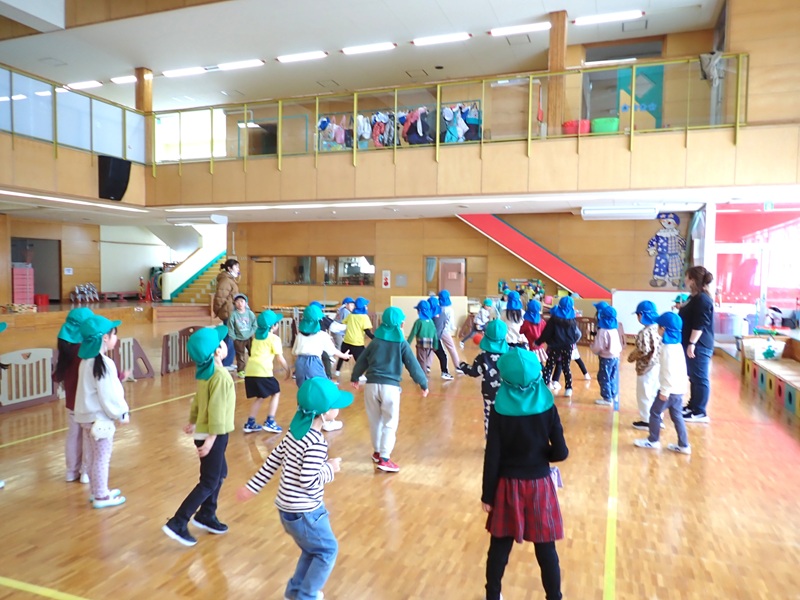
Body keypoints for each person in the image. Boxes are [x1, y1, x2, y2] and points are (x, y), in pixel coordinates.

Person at [236, 378, 353, 600]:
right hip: (306, 512)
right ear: (324, 413)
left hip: (287, 510)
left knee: (312, 550)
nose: (338, 409)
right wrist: (330, 468)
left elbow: (272, 462)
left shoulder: (294, 433)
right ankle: (306, 595)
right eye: (335, 405)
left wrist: (252, 487)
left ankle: (295, 592)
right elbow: (308, 480)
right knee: (327, 551)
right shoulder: (316, 442)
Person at [482, 347, 568, 600]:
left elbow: (492, 455)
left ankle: (493, 595)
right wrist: (541, 455)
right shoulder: (548, 407)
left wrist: (487, 495)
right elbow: (561, 452)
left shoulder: (499, 409)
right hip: (539, 484)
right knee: (546, 549)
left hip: (507, 485)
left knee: (499, 546)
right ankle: (554, 596)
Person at [162, 325, 235, 547]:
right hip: (214, 435)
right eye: (221, 343)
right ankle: (178, 521)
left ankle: (207, 514)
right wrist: (211, 440)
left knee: (220, 473)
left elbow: (198, 400)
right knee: (209, 481)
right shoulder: (220, 376)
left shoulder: (206, 373)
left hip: (206, 432)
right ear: (217, 351)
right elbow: (217, 411)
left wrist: (193, 421)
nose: (225, 344)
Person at [350, 307, 428, 473]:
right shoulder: (401, 343)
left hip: (371, 386)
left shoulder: (375, 342)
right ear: (400, 324)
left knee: (375, 421)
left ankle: (377, 452)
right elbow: (413, 365)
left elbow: (362, 360)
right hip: (390, 388)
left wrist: (355, 377)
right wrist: (423, 383)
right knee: (390, 423)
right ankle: (385, 458)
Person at [74, 315, 130, 509]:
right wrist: (121, 413)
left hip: (86, 418)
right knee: (102, 458)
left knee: (92, 456)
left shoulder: (86, 362)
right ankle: (101, 495)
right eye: (114, 334)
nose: (116, 338)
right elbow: (110, 394)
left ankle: (96, 490)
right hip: (100, 421)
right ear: (105, 338)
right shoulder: (104, 363)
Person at [634, 312, 691, 454]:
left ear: (663, 329)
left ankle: (653, 440)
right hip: (679, 389)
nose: (657, 329)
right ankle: (684, 445)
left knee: (654, 412)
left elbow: (668, 372)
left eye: (659, 326)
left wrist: (664, 391)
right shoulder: (677, 346)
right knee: (677, 416)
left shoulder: (667, 349)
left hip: (668, 391)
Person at [53, 307, 94, 484]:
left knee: (73, 435)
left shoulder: (66, 350)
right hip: (87, 403)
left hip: (71, 403)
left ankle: (71, 471)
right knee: (88, 437)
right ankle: (85, 471)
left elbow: (57, 376)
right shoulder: (84, 352)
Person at [459, 320, 509, 438]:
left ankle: (490, 441)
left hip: (489, 392)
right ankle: (505, 439)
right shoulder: (509, 354)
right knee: (506, 415)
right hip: (506, 392)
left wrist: (463, 366)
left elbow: (474, 372)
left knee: (489, 416)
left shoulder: (483, 356)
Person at [243, 310, 290, 434]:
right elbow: (279, 358)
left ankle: (250, 423)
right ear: (273, 326)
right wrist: (288, 369)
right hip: (263, 372)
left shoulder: (256, 338)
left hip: (250, 371)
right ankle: (270, 421)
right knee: (276, 393)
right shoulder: (274, 338)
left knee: (260, 396)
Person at [679, 266, 715, 423]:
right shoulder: (693, 297)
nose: (685, 280)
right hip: (691, 342)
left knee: (700, 377)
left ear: (693, 280)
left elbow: (700, 323)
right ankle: (693, 405)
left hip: (699, 344)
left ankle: (700, 411)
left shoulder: (702, 299)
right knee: (693, 376)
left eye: (687, 277)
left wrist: (692, 343)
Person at [536, 296, 581, 399]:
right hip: (568, 346)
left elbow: (546, 333)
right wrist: (572, 342)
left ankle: (545, 386)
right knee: (566, 367)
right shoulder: (572, 319)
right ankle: (568, 389)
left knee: (549, 366)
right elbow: (576, 334)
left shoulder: (553, 319)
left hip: (554, 346)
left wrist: (538, 342)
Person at [627, 301, 662, 430]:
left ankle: (647, 421)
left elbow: (643, 350)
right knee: (655, 393)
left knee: (644, 395)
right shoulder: (658, 329)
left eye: (638, 315)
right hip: (657, 365)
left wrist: (631, 357)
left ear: (642, 315)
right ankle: (658, 418)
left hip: (645, 368)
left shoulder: (644, 332)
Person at [590, 305, 623, 407]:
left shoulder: (602, 331)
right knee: (613, 376)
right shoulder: (614, 329)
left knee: (603, 377)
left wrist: (592, 348)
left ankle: (607, 398)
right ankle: (613, 394)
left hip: (606, 358)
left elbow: (599, 346)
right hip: (616, 357)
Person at [335, 297, 373, 377]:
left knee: (342, 357)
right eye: (366, 305)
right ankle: (360, 376)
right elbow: (367, 332)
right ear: (363, 307)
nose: (367, 307)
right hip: (357, 343)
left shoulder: (351, 315)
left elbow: (344, 322)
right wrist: (376, 339)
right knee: (361, 360)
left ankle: (337, 371)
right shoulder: (364, 317)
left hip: (347, 341)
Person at [212, 259, 240, 369]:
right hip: (228, 312)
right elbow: (220, 298)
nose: (238, 269)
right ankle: (225, 363)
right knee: (229, 337)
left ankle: (227, 361)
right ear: (229, 268)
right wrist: (217, 310)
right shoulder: (225, 281)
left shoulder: (230, 280)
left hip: (231, 312)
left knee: (230, 336)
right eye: (236, 267)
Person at [227, 293, 256, 378]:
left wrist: (250, 333)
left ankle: (254, 368)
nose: (240, 303)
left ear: (245, 303)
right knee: (240, 356)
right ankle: (241, 371)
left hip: (249, 337)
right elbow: (230, 327)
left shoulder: (250, 313)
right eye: (237, 302)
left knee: (253, 353)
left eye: (242, 301)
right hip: (238, 339)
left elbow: (254, 325)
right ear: (234, 303)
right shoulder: (233, 315)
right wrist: (234, 337)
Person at [407, 300, 439, 374]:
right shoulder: (431, 321)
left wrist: (407, 343)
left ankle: (422, 376)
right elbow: (435, 334)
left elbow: (413, 333)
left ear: (420, 311)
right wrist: (435, 345)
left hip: (421, 344)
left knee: (421, 360)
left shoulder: (419, 322)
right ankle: (423, 373)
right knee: (425, 359)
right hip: (429, 344)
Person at [429, 296, 454, 380]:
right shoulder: (442, 314)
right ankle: (445, 372)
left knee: (424, 357)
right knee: (443, 356)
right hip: (435, 340)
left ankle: (422, 372)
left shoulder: (428, 315)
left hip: (425, 339)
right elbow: (444, 325)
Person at [437, 290, 462, 373]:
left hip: (437, 330)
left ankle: (428, 366)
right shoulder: (449, 310)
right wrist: (451, 328)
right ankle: (457, 366)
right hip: (445, 331)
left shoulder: (438, 308)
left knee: (434, 348)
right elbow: (450, 322)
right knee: (451, 348)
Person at [520, 299, 548, 367]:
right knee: (540, 364)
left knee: (531, 364)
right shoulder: (542, 322)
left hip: (530, 347)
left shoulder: (526, 322)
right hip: (539, 346)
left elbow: (521, 331)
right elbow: (545, 333)